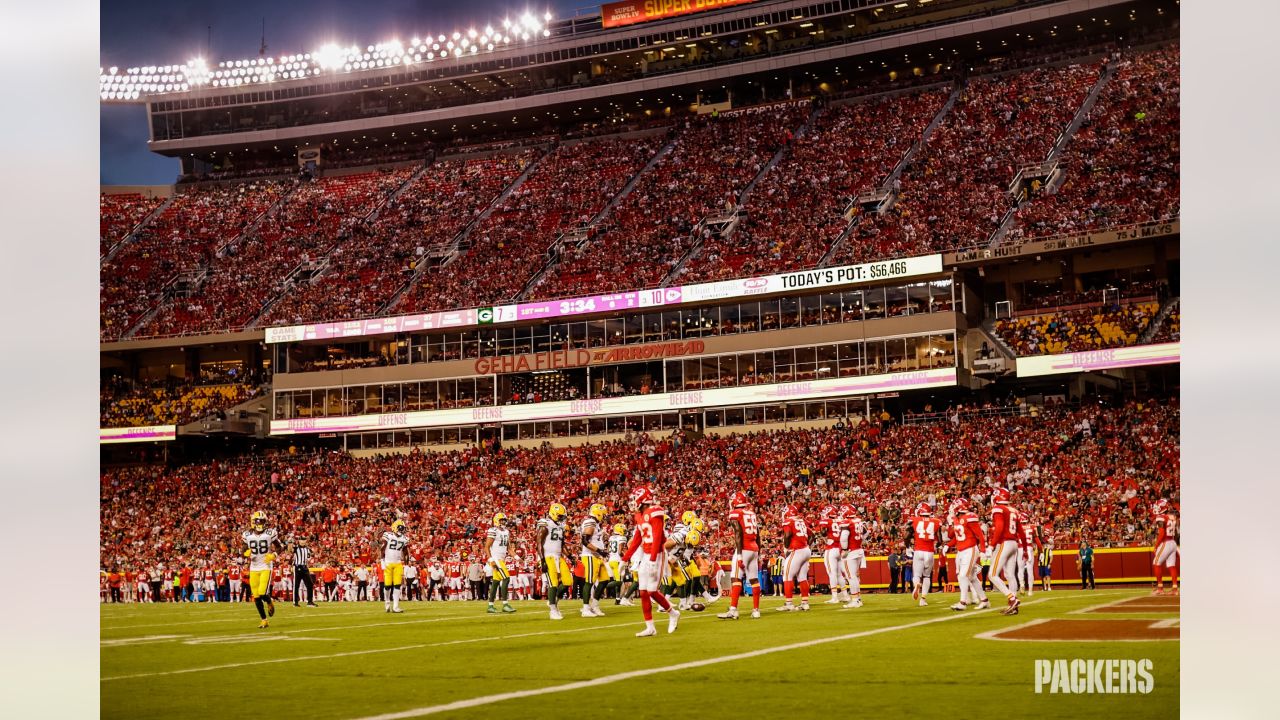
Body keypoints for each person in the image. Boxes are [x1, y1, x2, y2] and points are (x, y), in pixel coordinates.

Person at [625, 485, 679, 637]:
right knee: (643, 592)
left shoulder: (655, 512)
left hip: (658, 554)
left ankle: (673, 613)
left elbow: (656, 538)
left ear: (642, 500)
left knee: (652, 591)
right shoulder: (639, 515)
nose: (632, 502)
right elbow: (637, 539)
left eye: (634, 499)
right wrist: (625, 559)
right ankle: (650, 627)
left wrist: (654, 559)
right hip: (645, 555)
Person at [718, 491, 763, 620]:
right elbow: (758, 535)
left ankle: (733, 610)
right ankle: (756, 610)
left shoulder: (735, 513)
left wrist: (739, 555)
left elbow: (738, 533)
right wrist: (758, 553)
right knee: (754, 580)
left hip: (744, 549)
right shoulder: (751, 513)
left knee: (736, 578)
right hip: (754, 548)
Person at [947, 498, 990, 611]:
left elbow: (980, 535)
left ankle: (963, 602)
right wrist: (952, 522)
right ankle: (984, 600)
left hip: (970, 550)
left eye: (955, 506)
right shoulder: (957, 519)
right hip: (961, 551)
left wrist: (983, 550)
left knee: (963, 576)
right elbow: (951, 535)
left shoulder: (969, 517)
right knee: (972, 577)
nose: (952, 508)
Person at [987, 487, 1023, 615]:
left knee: (992, 574)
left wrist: (992, 545)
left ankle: (1012, 599)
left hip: (1005, 543)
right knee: (1010, 575)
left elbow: (1000, 528)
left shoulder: (999, 509)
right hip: (1014, 543)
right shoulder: (1014, 510)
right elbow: (1021, 531)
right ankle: (1013, 605)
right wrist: (1023, 547)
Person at [242, 510, 280, 628]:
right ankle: (264, 620)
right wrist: (245, 553)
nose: (260, 523)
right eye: (259, 521)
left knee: (262, 592)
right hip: (253, 568)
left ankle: (269, 602)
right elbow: (243, 549)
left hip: (265, 566)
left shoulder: (269, 533)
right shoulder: (247, 535)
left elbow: (280, 547)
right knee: (256, 596)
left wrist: (274, 555)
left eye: (262, 521)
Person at [536, 502, 570, 620]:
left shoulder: (560, 526)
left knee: (567, 581)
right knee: (553, 583)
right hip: (548, 556)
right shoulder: (545, 523)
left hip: (558, 556)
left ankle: (553, 600)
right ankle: (553, 610)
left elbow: (562, 544)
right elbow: (539, 543)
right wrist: (542, 560)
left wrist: (570, 556)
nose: (561, 518)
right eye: (560, 516)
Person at [776, 505, 813, 612]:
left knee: (787, 576)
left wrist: (787, 547)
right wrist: (807, 545)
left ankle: (788, 603)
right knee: (802, 577)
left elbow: (787, 535)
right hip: (806, 550)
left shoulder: (789, 521)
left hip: (796, 550)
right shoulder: (801, 521)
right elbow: (812, 535)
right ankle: (805, 603)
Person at [578, 504, 610, 617]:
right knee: (589, 581)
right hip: (590, 555)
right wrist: (599, 551)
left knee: (605, 580)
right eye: (603, 514)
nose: (604, 516)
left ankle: (594, 605)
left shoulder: (595, 524)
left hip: (598, 556)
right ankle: (585, 608)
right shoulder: (590, 522)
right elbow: (585, 541)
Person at [483, 512, 517, 614]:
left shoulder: (506, 532)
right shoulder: (493, 531)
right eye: (501, 520)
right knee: (506, 578)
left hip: (501, 559)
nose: (503, 522)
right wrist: (491, 560)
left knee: (496, 582)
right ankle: (505, 604)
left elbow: (509, 548)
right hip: (496, 559)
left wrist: (517, 557)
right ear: (497, 521)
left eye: (504, 520)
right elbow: (486, 547)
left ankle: (490, 606)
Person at [908, 502, 940, 607]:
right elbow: (939, 539)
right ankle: (923, 599)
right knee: (927, 576)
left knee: (917, 575)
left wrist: (908, 544)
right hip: (929, 552)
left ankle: (917, 584)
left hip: (919, 550)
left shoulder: (914, 520)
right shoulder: (936, 521)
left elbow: (906, 535)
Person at [377, 519, 410, 613]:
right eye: (400, 528)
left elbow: (405, 552)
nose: (402, 530)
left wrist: (407, 564)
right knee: (387, 585)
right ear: (395, 528)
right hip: (388, 563)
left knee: (397, 585)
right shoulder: (388, 535)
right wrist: (382, 561)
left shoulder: (404, 538)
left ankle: (395, 606)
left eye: (403, 529)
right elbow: (382, 549)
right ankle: (387, 602)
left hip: (398, 563)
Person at [1150, 499, 1179, 595]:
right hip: (1172, 542)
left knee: (1156, 563)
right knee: (1171, 565)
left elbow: (1162, 533)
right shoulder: (1171, 517)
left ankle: (1160, 588)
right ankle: (1175, 589)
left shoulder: (1161, 517)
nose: (1156, 508)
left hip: (1166, 542)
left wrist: (1156, 545)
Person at [818, 506, 844, 604]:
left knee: (831, 573)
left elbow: (824, 533)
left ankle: (834, 597)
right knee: (839, 574)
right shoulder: (840, 520)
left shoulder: (827, 521)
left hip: (831, 548)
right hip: (840, 548)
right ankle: (845, 594)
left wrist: (823, 534)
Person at [606, 522, 632, 606]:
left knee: (619, 580)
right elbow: (620, 551)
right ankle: (603, 586)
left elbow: (608, 549)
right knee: (619, 582)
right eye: (623, 530)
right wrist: (625, 558)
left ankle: (617, 599)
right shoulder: (622, 537)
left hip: (611, 560)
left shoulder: (611, 538)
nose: (624, 531)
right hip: (617, 561)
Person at [292, 538, 317, 607]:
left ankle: (310, 601)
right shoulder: (296, 548)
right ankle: (295, 602)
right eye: (301, 540)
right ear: (299, 541)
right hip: (298, 567)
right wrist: (290, 543)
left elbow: (308, 558)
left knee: (310, 584)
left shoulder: (307, 549)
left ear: (306, 541)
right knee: (296, 585)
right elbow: (289, 551)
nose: (303, 542)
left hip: (305, 567)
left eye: (304, 540)